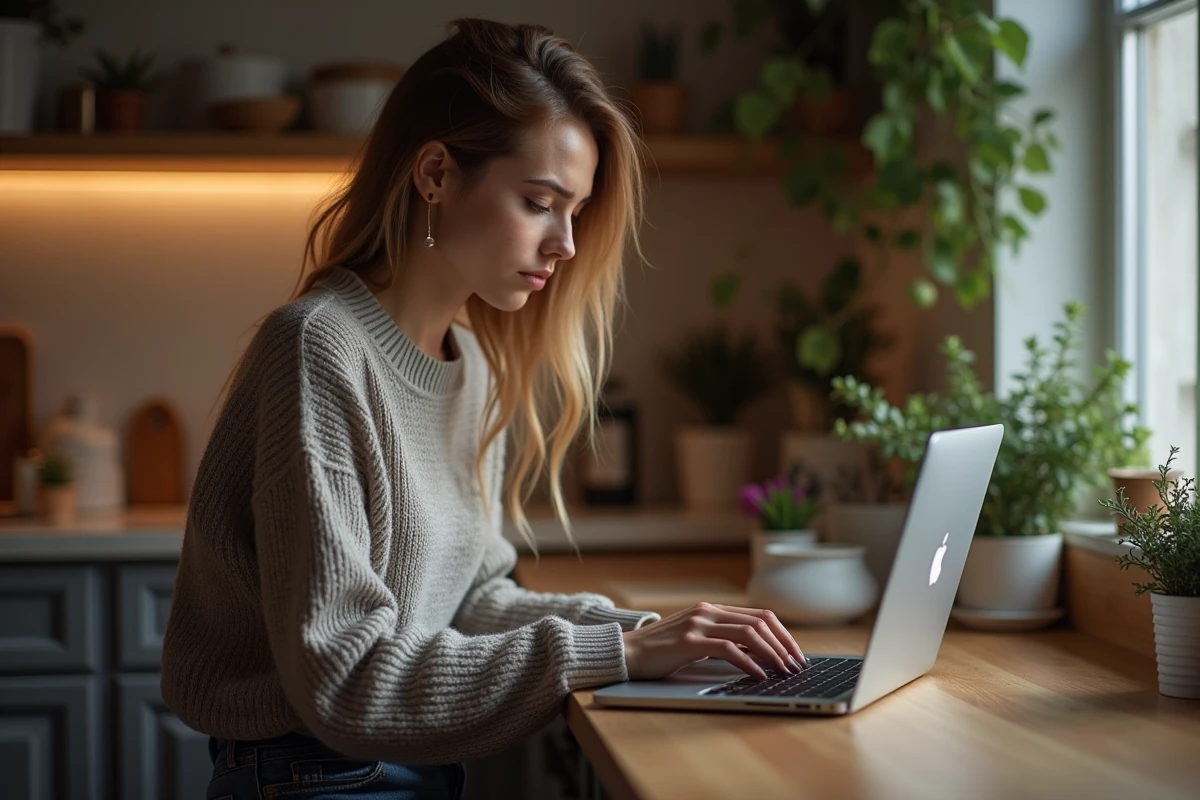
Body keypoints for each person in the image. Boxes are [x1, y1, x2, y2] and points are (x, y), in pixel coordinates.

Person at [160, 17, 809, 800]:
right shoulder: (318, 350)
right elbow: (346, 679)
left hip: (413, 767)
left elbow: (471, 601)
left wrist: (649, 633)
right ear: (434, 173)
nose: (566, 244)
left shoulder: (472, 369)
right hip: (313, 776)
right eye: (541, 202)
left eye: (575, 211)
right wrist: (621, 654)